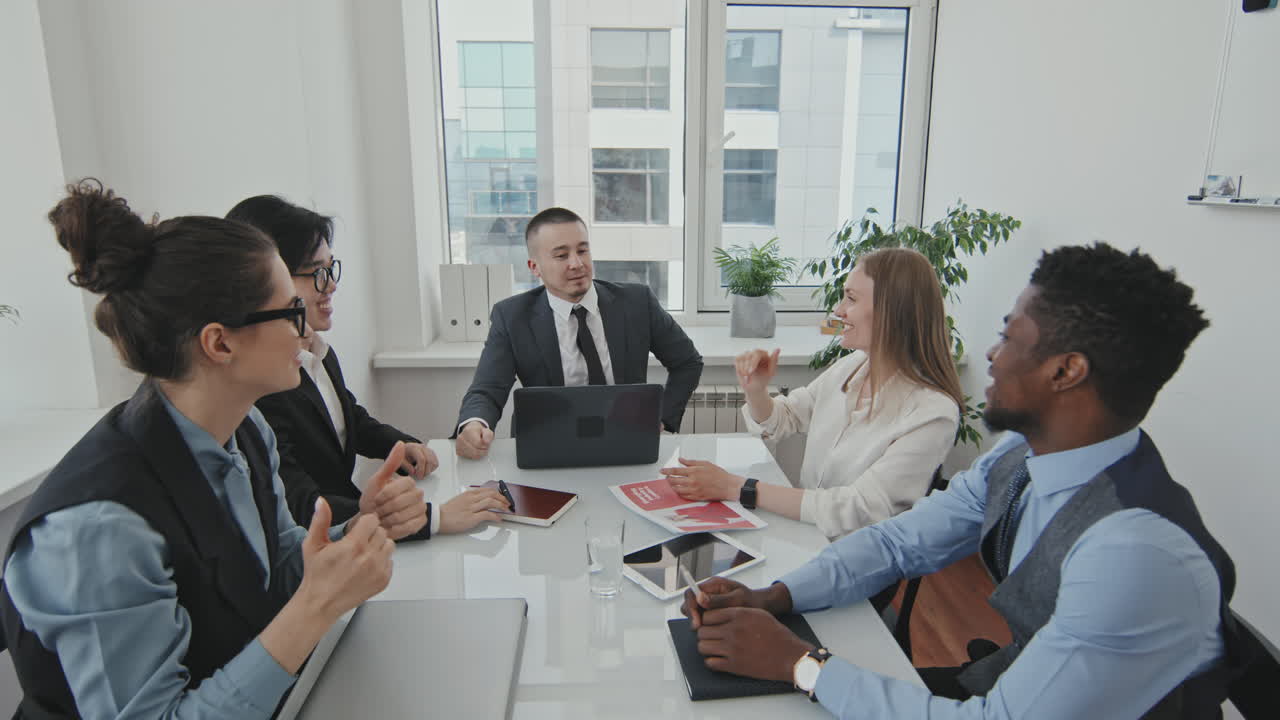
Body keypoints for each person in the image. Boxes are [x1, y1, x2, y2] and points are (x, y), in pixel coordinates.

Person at [679, 243, 1243, 719]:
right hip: (1008, 680)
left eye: (1008, 338)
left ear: (1065, 371)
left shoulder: (1135, 555)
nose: (990, 358)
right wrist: (776, 596)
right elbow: (898, 541)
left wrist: (801, 664)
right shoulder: (1021, 457)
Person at [0, 181, 414, 718]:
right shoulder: (100, 526)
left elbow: (277, 565)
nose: (305, 332)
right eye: (291, 313)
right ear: (219, 343)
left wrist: (353, 533)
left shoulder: (245, 430)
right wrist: (314, 607)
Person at [227, 195, 507, 538]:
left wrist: (400, 447)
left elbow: (349, 420)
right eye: (316, 273)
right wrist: (430, 518)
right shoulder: (260, 384)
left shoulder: (319, 351)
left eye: (330, 268)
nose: (331, 284)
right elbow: (295, 506)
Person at [661, 247, 962, 539]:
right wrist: (757, 391)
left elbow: (859, 509)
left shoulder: (932, 413)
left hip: (850, 561)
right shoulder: (852, 367)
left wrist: (737, 487)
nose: (838, 311)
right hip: (805, 533)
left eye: (851, 299)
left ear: (892, 311)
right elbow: (785, 419)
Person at [454, 207, 703, 459]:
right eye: (561, 255)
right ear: (534, 267)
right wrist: (475, 424)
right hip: (547, 445)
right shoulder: (511, 317)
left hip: (627, 443)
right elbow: (487, 388)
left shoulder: (637, 302)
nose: (577, 263)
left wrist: (663, 420)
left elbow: (687, 362)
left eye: (582, 250)